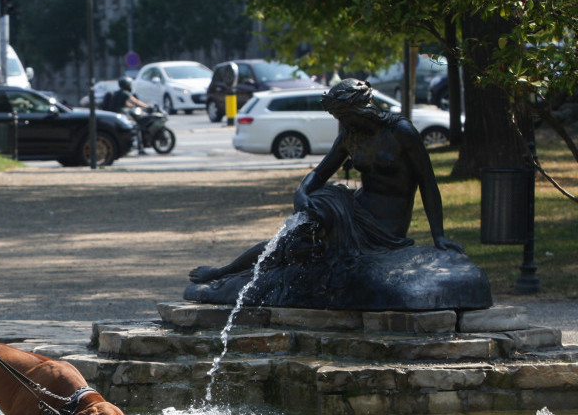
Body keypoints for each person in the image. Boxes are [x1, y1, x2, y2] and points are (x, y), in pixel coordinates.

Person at [190, 78, 463, 285]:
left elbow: (428, 183)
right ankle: (226, 274)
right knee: (294, 241)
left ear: (362, 108)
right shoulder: (350, 136)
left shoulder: (400, 132)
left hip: (385, 226)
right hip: (357, 210)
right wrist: (302, 191)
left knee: (311, 241)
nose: (341, 122)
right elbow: (320, 173)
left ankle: (232, 277)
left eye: (344, 116)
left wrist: (438, 234)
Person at [102, 77, 152, 155]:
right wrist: (147, 106)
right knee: (137, 128)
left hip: (117, 115)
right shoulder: (125, 93)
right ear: (126, 85)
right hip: (122, 115)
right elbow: (136, 101)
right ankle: (140, 149)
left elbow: (125, 104)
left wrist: (131, 106)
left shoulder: (118, 92)